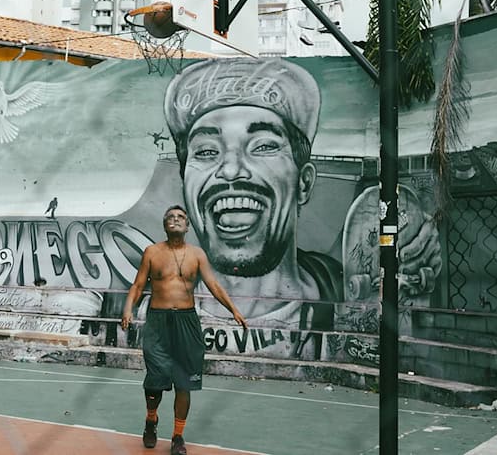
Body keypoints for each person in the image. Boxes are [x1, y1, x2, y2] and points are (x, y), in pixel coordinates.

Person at [162, 58, 441, 358]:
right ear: (184, 184)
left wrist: (413, 258)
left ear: (304, 183)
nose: (231, 171)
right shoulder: (160, 303)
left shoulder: (342, 289)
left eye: (263, 146)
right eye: (205, 151)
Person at [121, 205, 247, 455]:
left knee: (184, 382)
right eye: (170, 217)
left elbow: (213, 284)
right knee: (155, 380)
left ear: (187, 226)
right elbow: (137, 285)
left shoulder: (197, 254)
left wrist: (233, 309)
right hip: (158, 322)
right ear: (165, 224)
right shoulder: (152, 252)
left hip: (187, 322)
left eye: (180, 217)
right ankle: (151, 419)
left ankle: (178, 436)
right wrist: (128, 309)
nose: (175, 220)